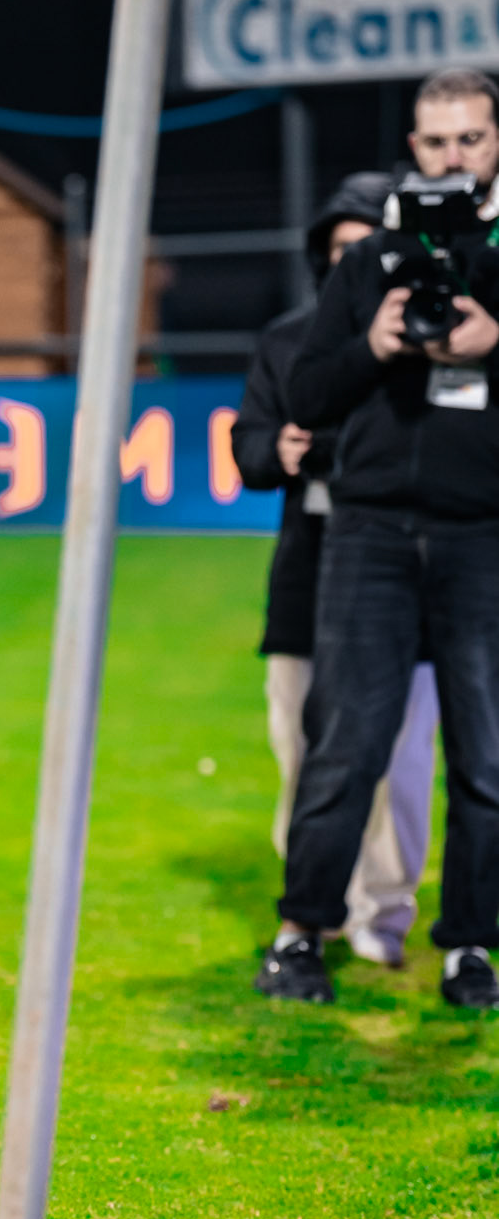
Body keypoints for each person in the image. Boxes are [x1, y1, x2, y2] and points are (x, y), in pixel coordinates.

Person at [256, 68, 499, 1010]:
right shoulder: (369, 264)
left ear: (494, 143)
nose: (451, 159)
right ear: (412, 146)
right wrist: (376, 348)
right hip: (369, 535)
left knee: (486, 761)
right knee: (343, 745)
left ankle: (469, 947)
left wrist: (492, 341)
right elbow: (306, 393)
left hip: (483, 536)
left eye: (469, 140)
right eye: (434, 143)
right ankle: (300, 934)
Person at [234, 173, 440, 969]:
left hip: (409, 573)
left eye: (370, 247)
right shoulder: (288, 340)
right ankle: (308, 914)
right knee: (301, 749)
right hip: (307, 577)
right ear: (322, 257)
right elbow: (247, 440)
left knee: (400, 759)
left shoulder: (430, 329)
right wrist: (275, 451)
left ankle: (381, 915)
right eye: (340, 250)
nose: (356, 262)